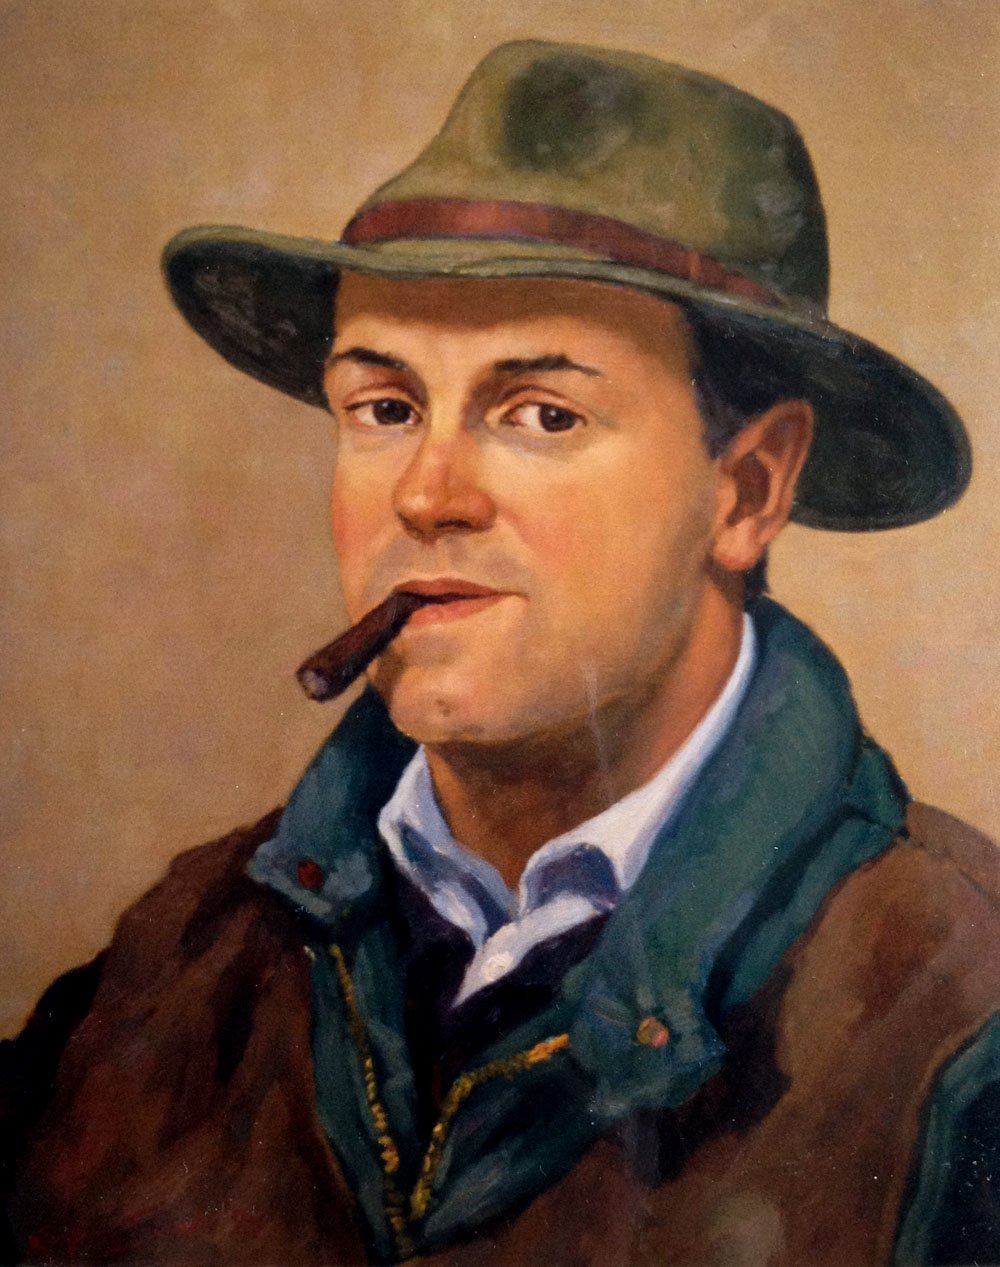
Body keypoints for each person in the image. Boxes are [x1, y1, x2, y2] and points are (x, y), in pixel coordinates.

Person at [3, 38, 998, 1267]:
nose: (427, 494)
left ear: (745, 489)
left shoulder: (953, 1014)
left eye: (540, 414)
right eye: (384, 407)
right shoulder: (174, 961)